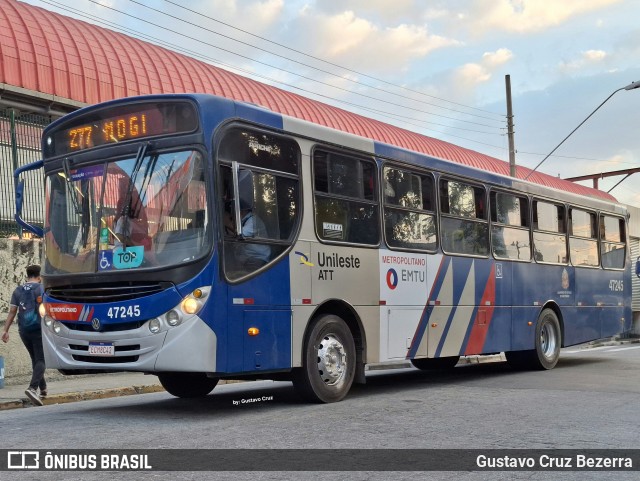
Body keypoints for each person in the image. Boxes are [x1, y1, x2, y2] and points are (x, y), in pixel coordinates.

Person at [1, 265, 46, 406]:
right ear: (39, 276)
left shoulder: (18, 290)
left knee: (35, 359)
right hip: (38, 329)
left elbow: (12, 312)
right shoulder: (41, 288)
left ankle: (43, 390)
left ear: (27, 275)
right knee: (41, 360)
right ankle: (32, 388)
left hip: (24, 330)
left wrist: (5, 330)